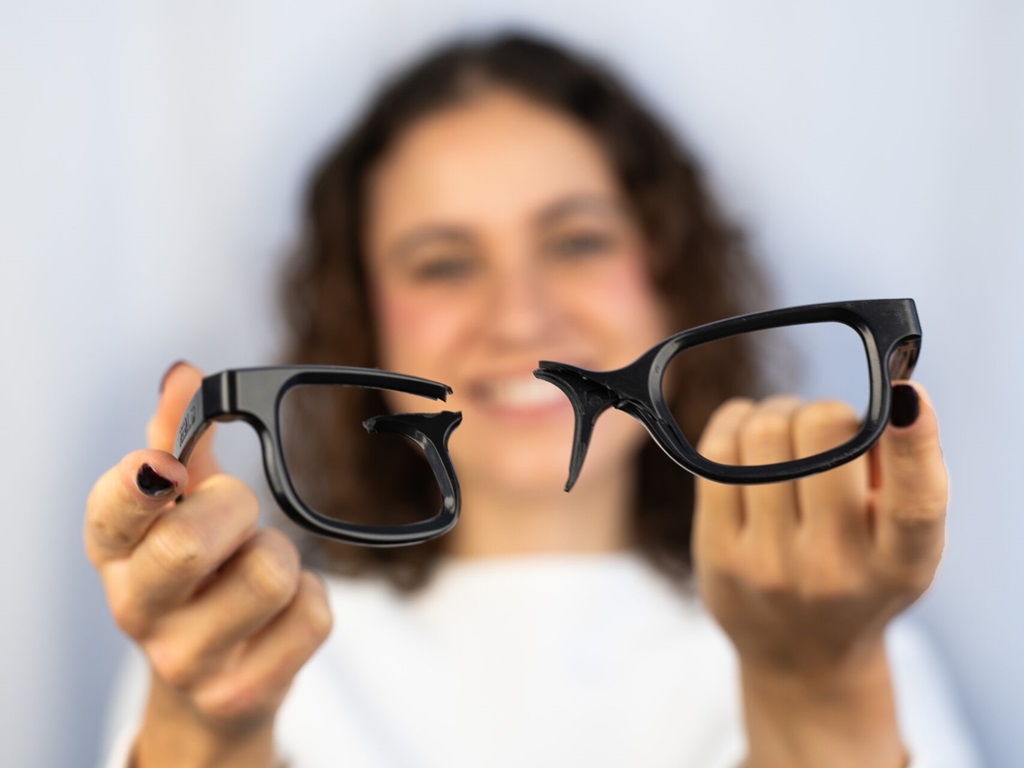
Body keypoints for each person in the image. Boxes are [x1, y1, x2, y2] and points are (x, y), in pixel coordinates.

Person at [87, 32, 978, 768]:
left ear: (668, 274)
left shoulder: (846, 626)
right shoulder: (231, 645)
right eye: (443, 262)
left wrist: (816, 693)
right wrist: (207, 737)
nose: (521, 313)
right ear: (365, 324)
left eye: (578, 241)